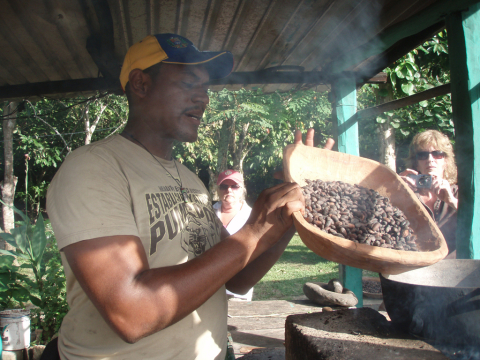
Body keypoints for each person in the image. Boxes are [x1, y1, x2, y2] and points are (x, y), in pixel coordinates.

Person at [46, 33, 306, 360]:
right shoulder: (93, 168)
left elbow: (236, 277)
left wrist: (286, 221)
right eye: (188, 84)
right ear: (140, 84)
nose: (204, 99)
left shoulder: (188, 180)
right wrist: (254, 228)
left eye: (205, 87)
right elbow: (132, 313)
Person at [399, 130, 458, 258]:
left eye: (437, 154)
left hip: (454, 270)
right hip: (414, 266)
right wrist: (395, 188)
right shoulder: (406, 192)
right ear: (416, 163)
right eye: (423, 155)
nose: (430, 160)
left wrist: (452, 201)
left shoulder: (460, 193)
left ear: (446, 161)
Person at [213, 170, 253, 301]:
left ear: (242, 189)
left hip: (237, 291)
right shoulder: (207, 213)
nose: (229, 190)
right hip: (209, 287)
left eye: (234, 186)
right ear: (218, 190)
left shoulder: (252, 217)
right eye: (224, 186)